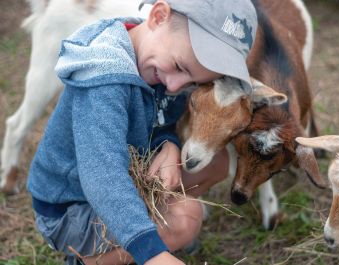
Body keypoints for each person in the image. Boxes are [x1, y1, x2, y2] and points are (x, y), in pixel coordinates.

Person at [27, 0, 258, 264]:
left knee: (215, 164)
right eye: (180, 67)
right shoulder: (104, 79)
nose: (174, 86)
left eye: (193, 82)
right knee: (187, 218)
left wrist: (168, 143)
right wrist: (151, 253)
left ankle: (140, 232)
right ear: (159, 16)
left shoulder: (157, 56)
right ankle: (88, 259)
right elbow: (103, 176)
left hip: (126, 178)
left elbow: (161, 117)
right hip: (72, 208)